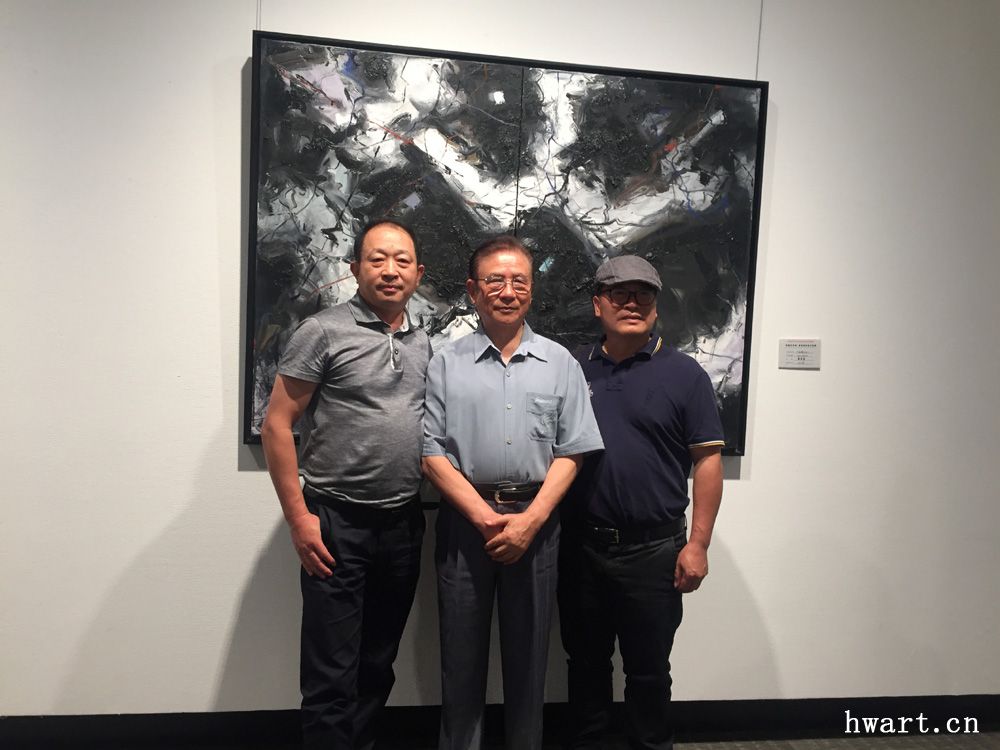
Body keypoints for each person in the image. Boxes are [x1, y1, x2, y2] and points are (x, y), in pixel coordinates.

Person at [422, 235, 604, 750]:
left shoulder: (560, 362)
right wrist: (484, 518)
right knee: (460, 657)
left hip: (537, 522)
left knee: (529, 659)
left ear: (532, 288)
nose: (508, 291)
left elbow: (573, 451)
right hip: (465, 522)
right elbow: (431, 454)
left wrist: (530, 521)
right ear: (473, 291)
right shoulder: (446, 362)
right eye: (495, 281)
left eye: (519, 281)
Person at [260, 218, 430, 750]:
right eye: (377, 259)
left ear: (418, 274)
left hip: (403, 522)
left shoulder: (425, 340)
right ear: (355, 268)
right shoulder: (322, 331)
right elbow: (276, 425)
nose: (390, 270)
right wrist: (299, 519)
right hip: (336, 520)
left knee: (378, 662)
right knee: (331, 671)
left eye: (401, 261)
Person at [557, 255, 725, 750]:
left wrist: (698, 545)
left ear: (656, 305)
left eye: (644, 294)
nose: (632, 303)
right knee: (584, 665)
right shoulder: (571, 369)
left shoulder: (685, 374)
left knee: (649, 672)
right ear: (597, 304)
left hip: (653, 552)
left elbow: (707, 461)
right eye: (619, 294)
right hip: (581, 548)